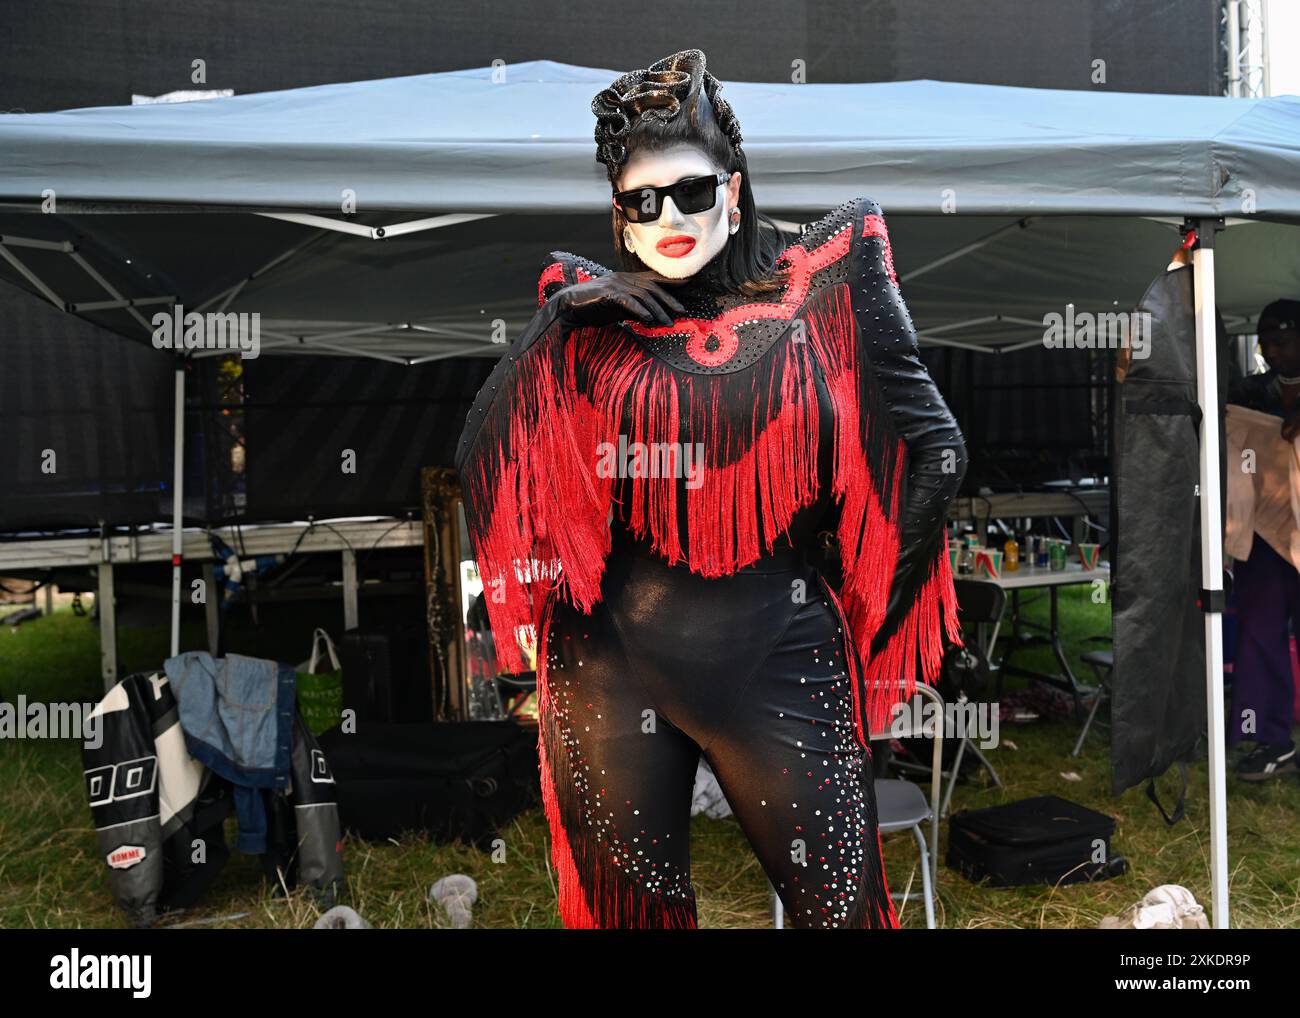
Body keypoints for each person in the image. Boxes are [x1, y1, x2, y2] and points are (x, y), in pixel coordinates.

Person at [454, 49, 966, 928]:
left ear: (734, 186)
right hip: (607, 663)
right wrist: (552, 323)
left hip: (784, 650)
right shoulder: (584, 306)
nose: (669, 219)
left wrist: (862, 616)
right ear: (618, 215)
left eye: (691, 192)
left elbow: (938, 454)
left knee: (840, 913)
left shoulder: (829, 273)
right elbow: (479, 461)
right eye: (640, 203)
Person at [1225, 298, 1300, 780]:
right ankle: (1269, 738)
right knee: (1259, 634)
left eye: (1283, 340)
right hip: (1267, 538)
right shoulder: (1251, 393)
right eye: (1266, 341)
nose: (1272, 351)